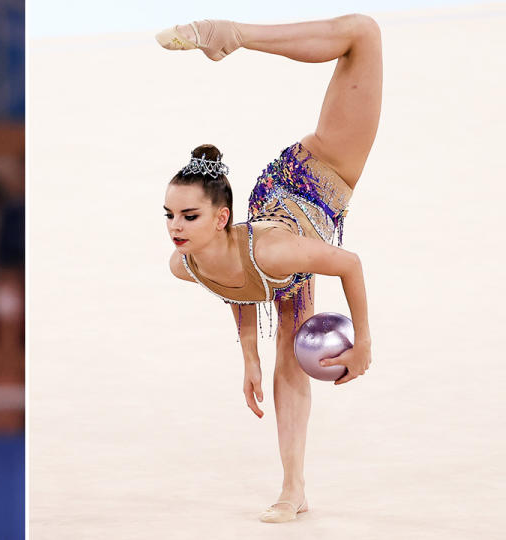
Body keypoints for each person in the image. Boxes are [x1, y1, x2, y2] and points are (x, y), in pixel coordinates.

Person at [157, 16, 380, 523]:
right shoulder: (185, 262)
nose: (175, 226)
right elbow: (232, 283)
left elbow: (348, 263)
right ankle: (293, 490)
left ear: (219, 217)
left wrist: (363, 341)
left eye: (189, 216)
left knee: (363, 35)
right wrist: (249, 356)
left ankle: (236, 34)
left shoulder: (275, 252)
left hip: (317, 175)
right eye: (169, 215)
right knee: (287, 356)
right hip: (275, 216)